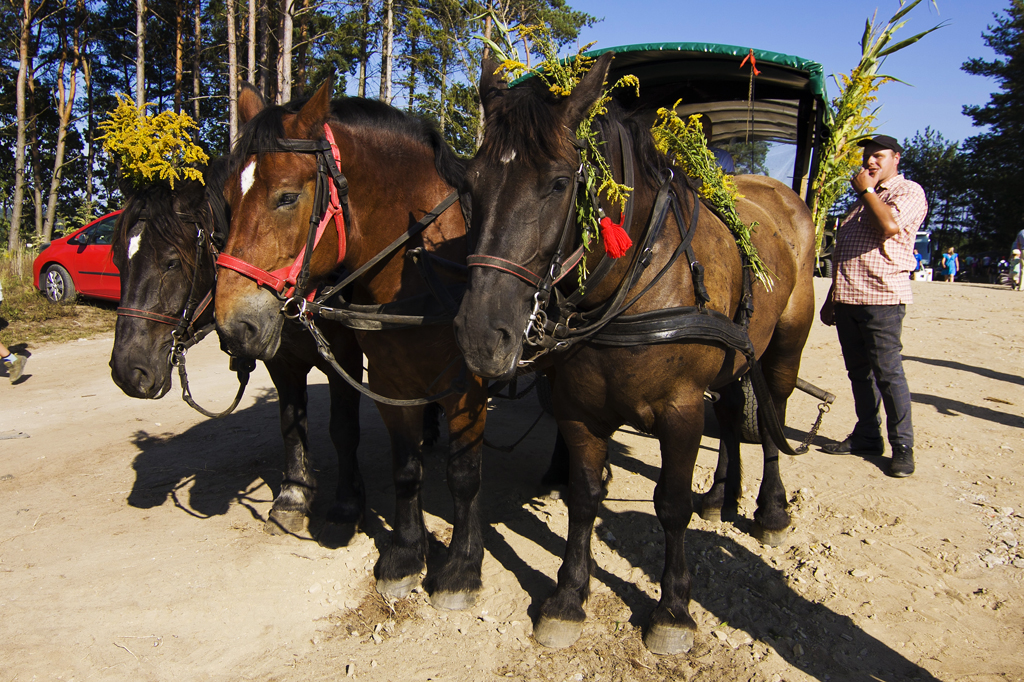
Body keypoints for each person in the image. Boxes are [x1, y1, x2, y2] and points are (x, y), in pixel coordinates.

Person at [819, 134, 928, 478]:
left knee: (888, 373)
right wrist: (832, 296)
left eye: (878, 156)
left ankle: (903, 447)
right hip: (848, 298)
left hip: (881, 298)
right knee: (859, 374)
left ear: (896, 157)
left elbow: (889, 226)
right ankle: (867, 435)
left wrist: (866, 191)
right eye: (867, 157)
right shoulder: (862, 200)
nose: (870, 162)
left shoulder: (907, 191)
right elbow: (847, 252)